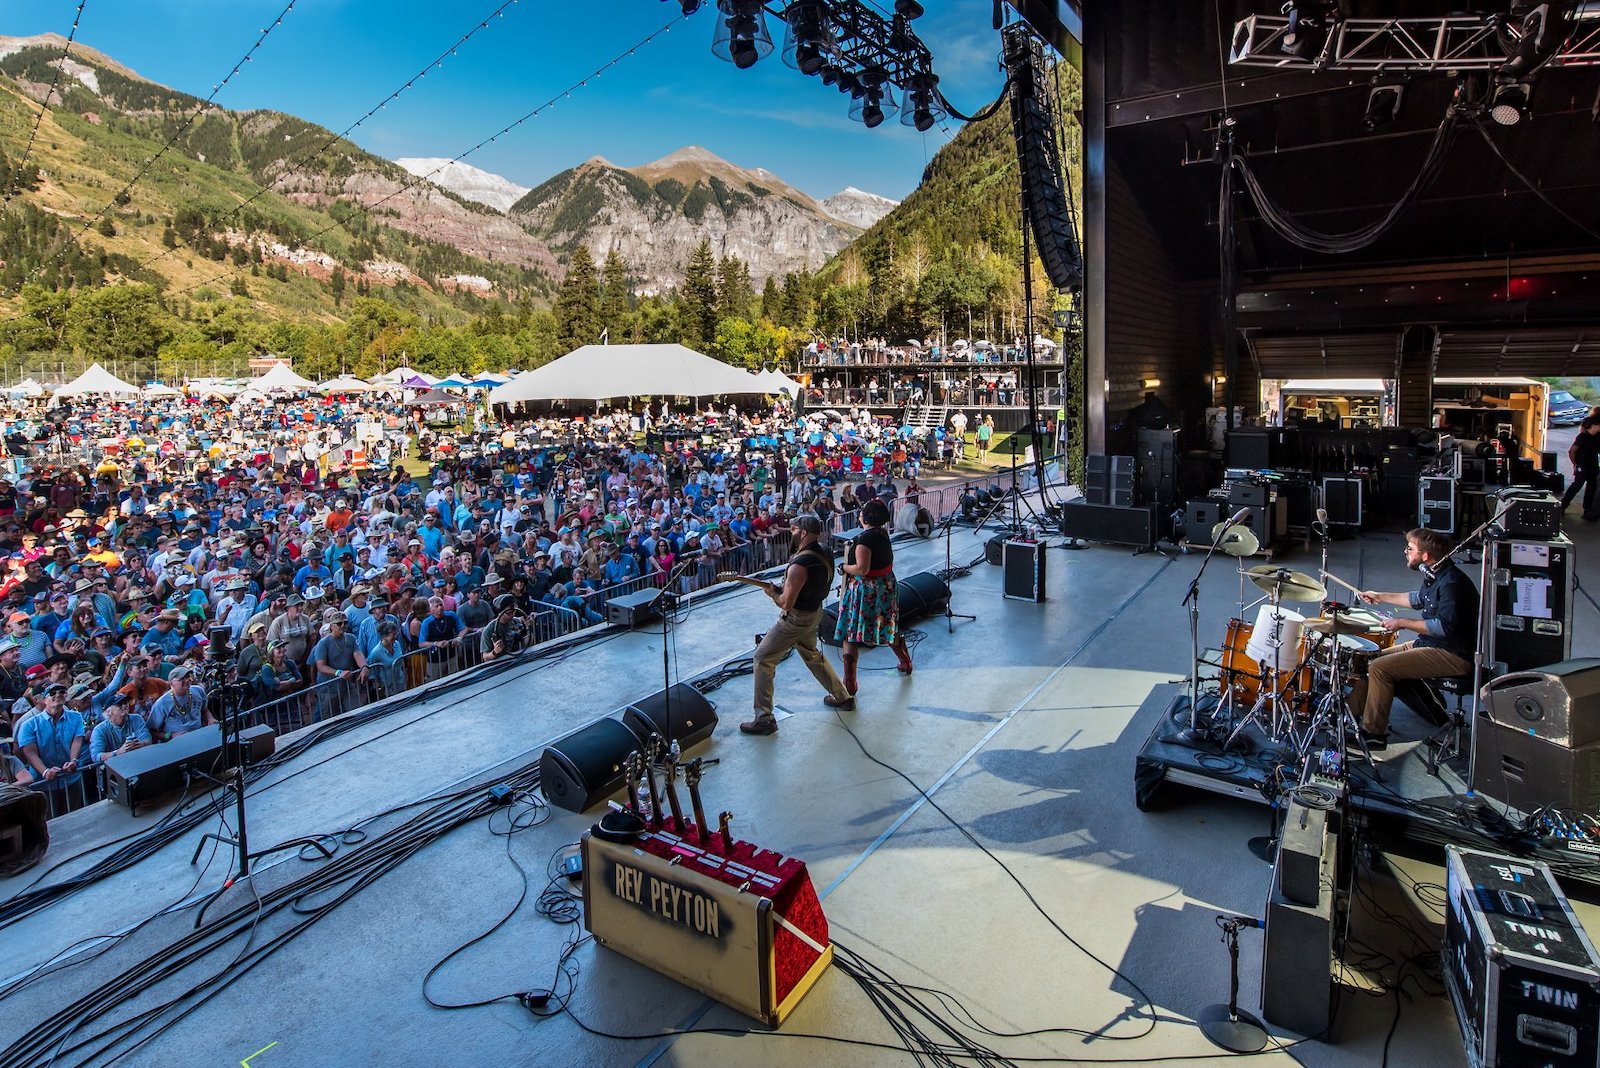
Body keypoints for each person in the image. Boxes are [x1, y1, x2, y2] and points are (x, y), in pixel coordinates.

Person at [1347, 528, 1480, 751]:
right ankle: (1349, 715)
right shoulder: (1436, 573)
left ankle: (1373, 735)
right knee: (1369, 660)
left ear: (1425, 555)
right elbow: (1418, 599)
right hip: (1432, 645)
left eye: (1410, 549)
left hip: (1452, 654)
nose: (1405, 552)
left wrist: (1402, 623)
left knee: (1380, 668)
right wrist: (1380, 596)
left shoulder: (1452, 584)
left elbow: (1443, 628)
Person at [740, 514, 854, 736]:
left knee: (762, 658)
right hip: (815, 613)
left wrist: (773, 594)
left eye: (793, 530)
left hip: (796, 619)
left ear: (802, 533)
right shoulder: (825, 552)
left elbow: (786, 602)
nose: (790, 533)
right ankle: (843, 697)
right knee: (811, 654)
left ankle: (764, 719)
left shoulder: (799, 565)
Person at [834, 499, 913, 695]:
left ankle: (849, 684)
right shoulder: (882, 533)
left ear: (866, 517)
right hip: (885, 585)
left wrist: (843, 568)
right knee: (888, 626)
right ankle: (905, 662)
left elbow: (862, 569)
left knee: (850, 633)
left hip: (866, 590)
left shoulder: (864, 540)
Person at [147, 665, 211, 740]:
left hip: (199, 735)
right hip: (177, 742)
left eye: (188, 677)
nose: (187, 680)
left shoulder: (198, 691)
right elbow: (150, 731)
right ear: (171, 683)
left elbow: (204, 710)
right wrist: (170, 735)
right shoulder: (162, 703)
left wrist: (210, 719)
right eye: (182, 679)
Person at [1561, 418, 1600, 521]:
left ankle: (1587, 511)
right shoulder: (1583, 437)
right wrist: (1576, 464)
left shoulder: (1596, 438)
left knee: (1591, 488)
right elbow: (1572, 451)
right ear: (1593, 426)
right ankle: (1563, 505)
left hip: (1593, 466)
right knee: (1576, 486)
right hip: (1582, 466)